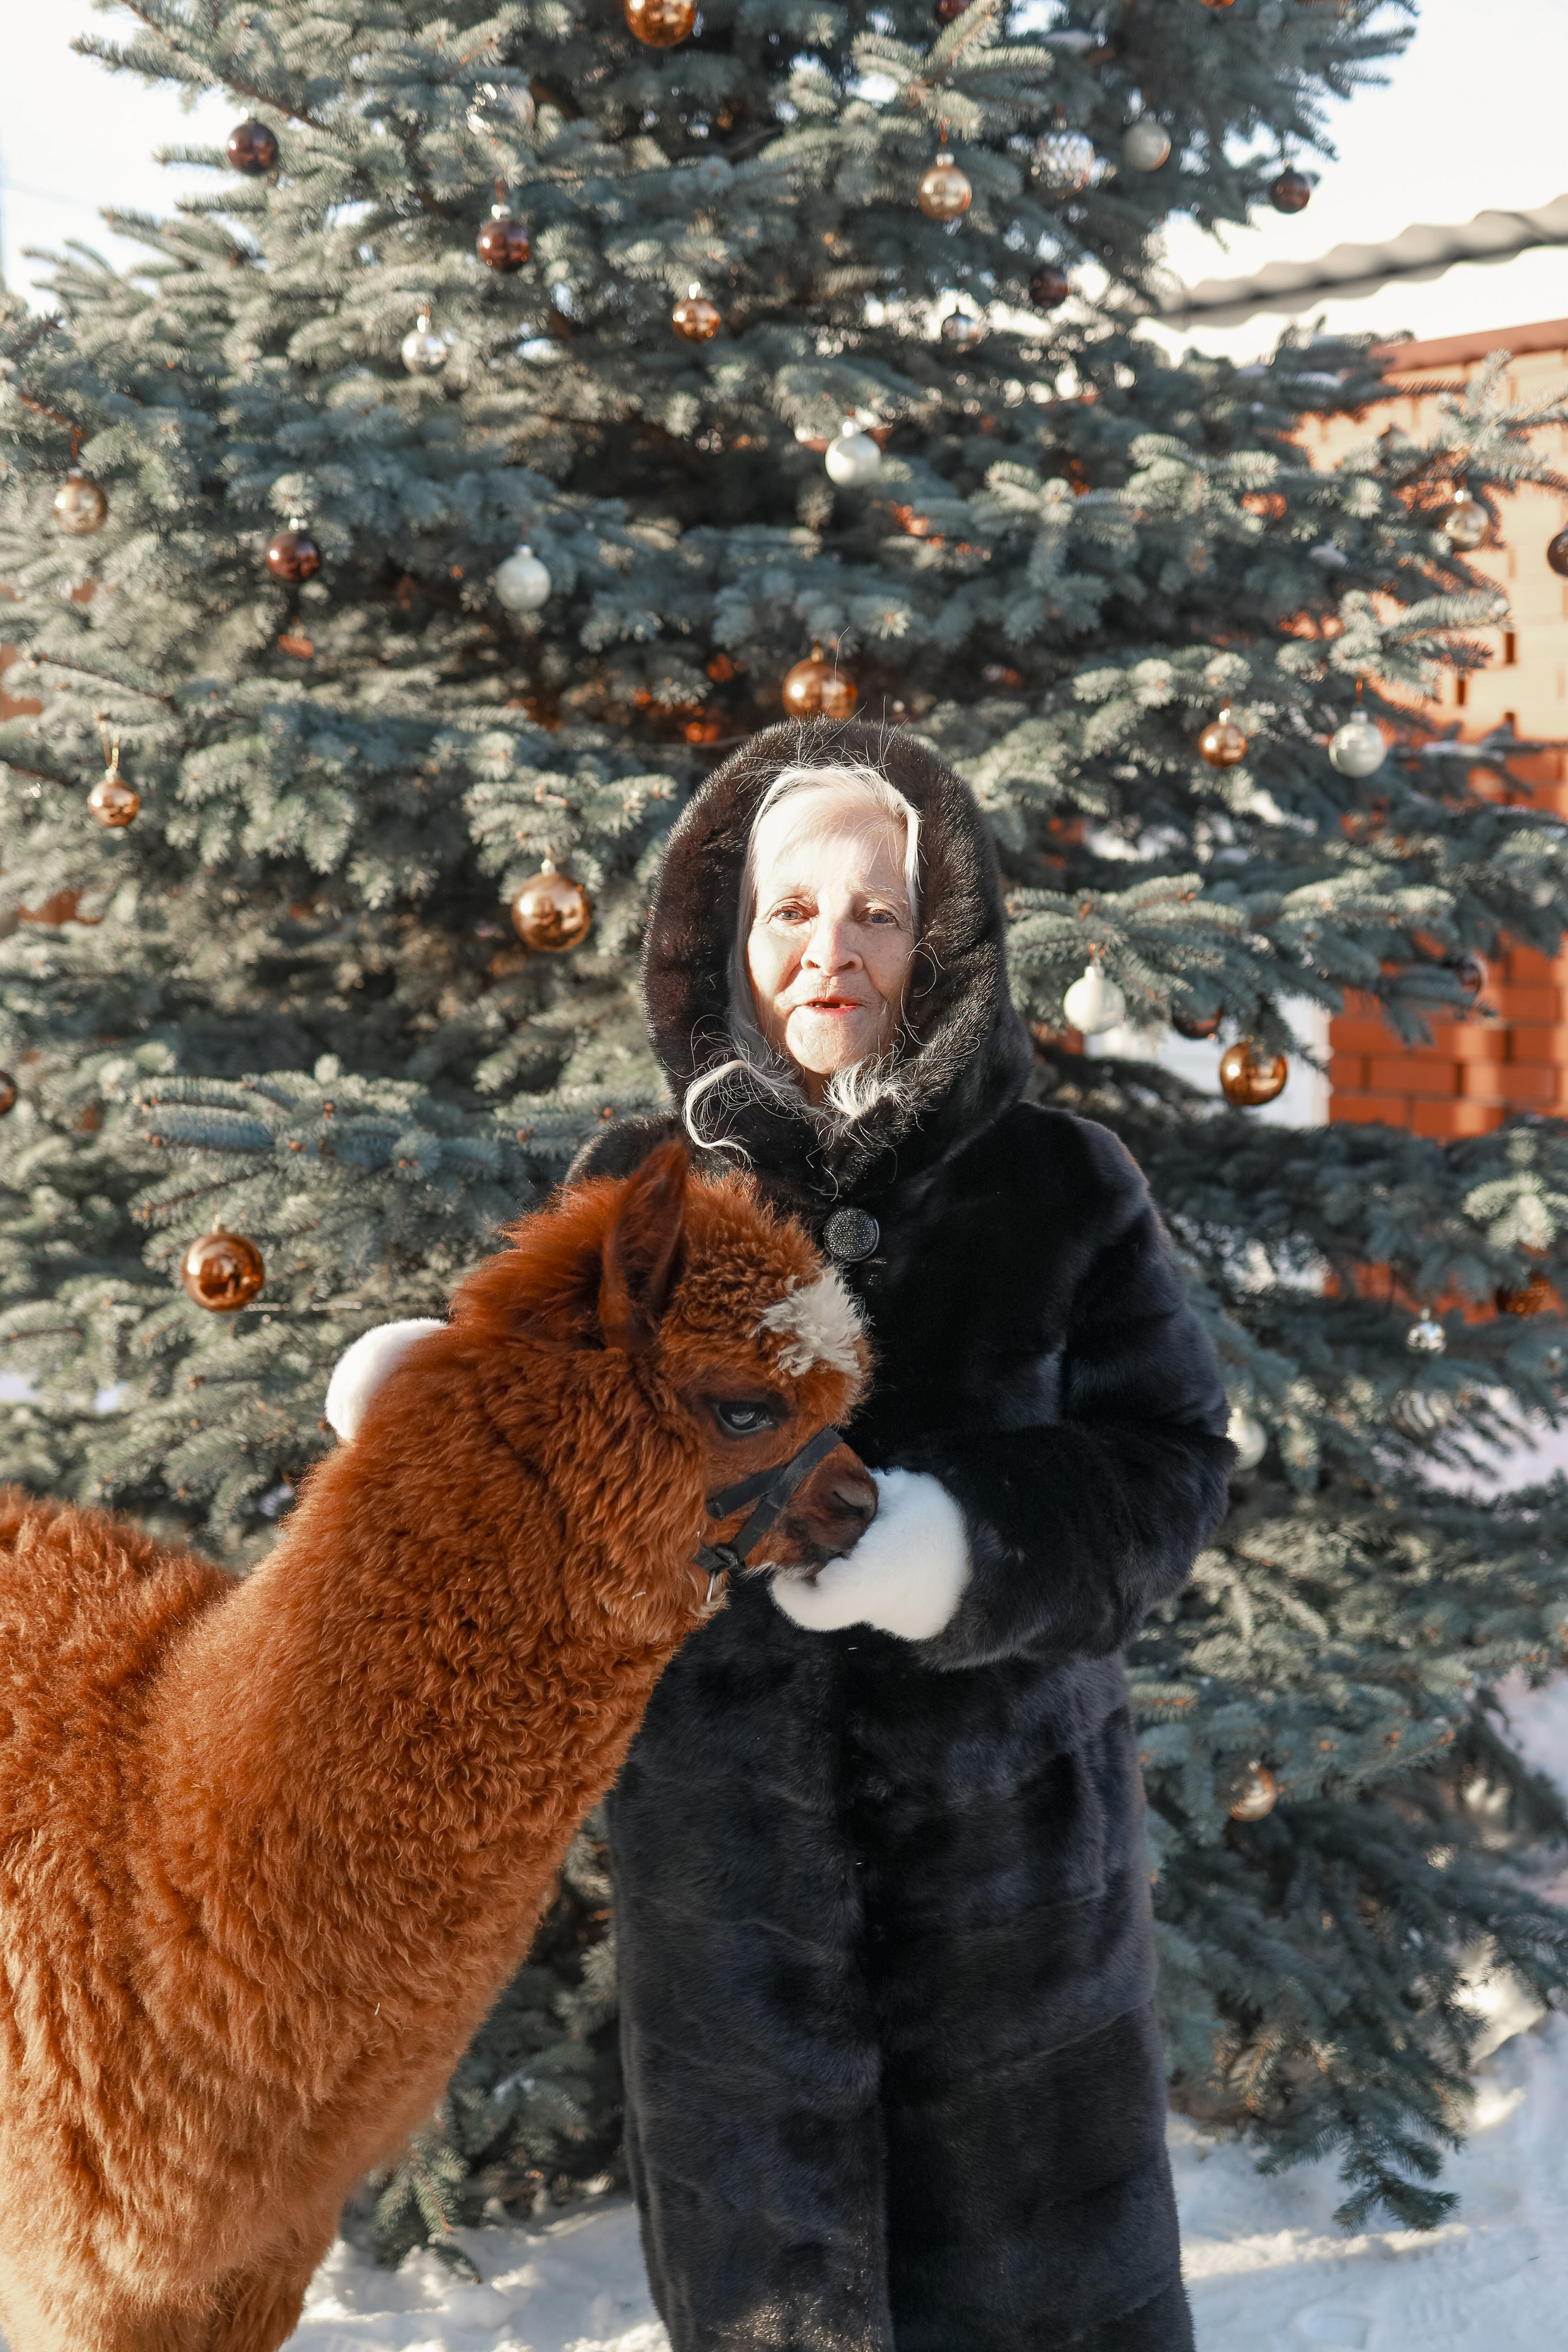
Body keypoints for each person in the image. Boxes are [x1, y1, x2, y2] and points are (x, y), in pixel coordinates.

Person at [567, 718, 1234, 2352]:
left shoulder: (1061, 1183)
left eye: (876, 911)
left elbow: (1171, 1469)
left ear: (943, 940)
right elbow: (550, 1478)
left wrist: (958, 1547)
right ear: (726, 938)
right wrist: (428, 1415)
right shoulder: (634, 1192)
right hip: (726, 1908)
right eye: (791, 911)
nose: (833, 950)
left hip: (1012, 1917)